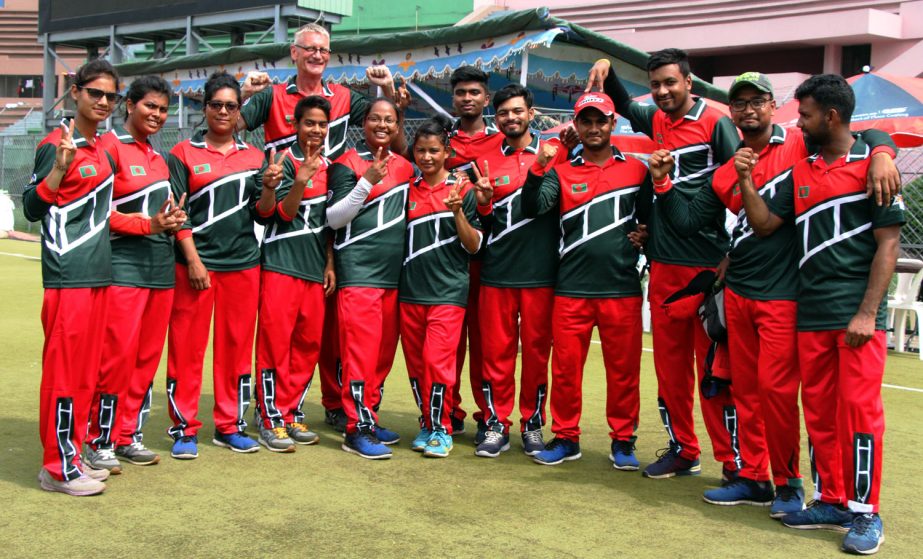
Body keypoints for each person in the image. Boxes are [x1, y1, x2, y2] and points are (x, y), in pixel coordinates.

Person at [654, 72, 899, 516]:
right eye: (739, 103)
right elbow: (689, 222)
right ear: (731, 113)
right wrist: (663, 184)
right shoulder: (729, 168)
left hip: (786, 296)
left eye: (758, 100)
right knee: (746, 391)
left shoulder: (801, 145)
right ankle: (755, 478)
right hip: (741, 291)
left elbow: (858, 134)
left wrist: (882, 152)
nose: (748, 110)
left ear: (772, 106)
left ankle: (791, 485)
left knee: (780, 395)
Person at [740, 74, 902, 556]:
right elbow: (766, 224)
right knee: (821, 414)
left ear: (830, 116)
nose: (799, 122)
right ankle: (830, 499)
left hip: (855, 319)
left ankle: (866, 512)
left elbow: (888, 244)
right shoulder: (801, 171)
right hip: (810, 317)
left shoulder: (875, 167)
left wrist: (867, 313)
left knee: (859, 414)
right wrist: (747, 180)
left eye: (805, 114)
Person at [240, 23, 406, 433]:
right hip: (284, 232)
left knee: (318, 336)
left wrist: (385, 90)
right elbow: (234, 126)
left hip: (327, 229)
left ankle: (315, 407)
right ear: (293, 53)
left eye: (324, 50)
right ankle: (270, 412)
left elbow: (385, 123)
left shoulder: (345, 100)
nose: (317, 55)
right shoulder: (272, 96)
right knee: (280, 337)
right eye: (309, 49)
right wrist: (245, 94)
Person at [587, 48, 741, 480]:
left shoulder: (716, 122)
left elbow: (737, 182)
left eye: (670, 82)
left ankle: (733, 464)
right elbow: (624, 105)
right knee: (670, 372)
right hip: (662, 266)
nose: (662, 91)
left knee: (714, 374)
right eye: (655, 84)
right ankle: (683, 450)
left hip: (707, 269)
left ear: (689, 83)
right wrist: (608, 71)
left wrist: (731, 247)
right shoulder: (656, 119)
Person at [520, 92, 652, 468]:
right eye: (586, 121)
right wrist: (538, 169)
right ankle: (566, 437)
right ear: (576, 125)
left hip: (621, 287)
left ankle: (623, 441)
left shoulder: (637, 171)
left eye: (601, 121)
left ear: (613, 124)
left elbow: (649, 222)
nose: (594, 128)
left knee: (624, 372)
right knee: (564, 371)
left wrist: (646, 237)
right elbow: (533, 206)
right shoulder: (562, 172)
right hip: (571, 288)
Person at [166, 71, 277, 459]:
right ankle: (184, 428)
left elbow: (263, 216)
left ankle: (230, 425)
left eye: (232, 106)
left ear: (239, 110)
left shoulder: (256, 156)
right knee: (187, 348)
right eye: (217, 105)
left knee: (235, 348)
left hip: (244, 265)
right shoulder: (182, 153)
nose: (224, 111)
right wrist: (194, 260)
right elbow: (177, 215)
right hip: (196, 268)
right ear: (205, 107)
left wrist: (268, 188)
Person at [23, 59, 121, 496]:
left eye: (110, 96)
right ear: (76, 92)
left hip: (98, 275)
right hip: (68, 277)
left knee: (85, 374)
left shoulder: (101, 146)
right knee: (64, 374)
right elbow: (31, 207)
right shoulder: (55, 144)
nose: (102, 101)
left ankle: (72, 453)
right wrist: (60, 167)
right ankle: (56, 468)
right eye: (95, 93)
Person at [84, 76, 187, 473]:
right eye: (150, 107)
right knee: (115, 357)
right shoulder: (109, 148)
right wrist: (147, 225)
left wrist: (170, 221)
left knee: (145, 358)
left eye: (163, 110)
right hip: (123, 269)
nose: (157, 116)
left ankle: (129, 435)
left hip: (160, 271)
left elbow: (164, 218)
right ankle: (99, 439)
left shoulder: (158, 158)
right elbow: (97, 213)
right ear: (129, 105)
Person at [469, 84, 569, 458]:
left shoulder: (554, 154)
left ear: (531, 113)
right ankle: (496, 423)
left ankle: (532, 424)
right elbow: (486, 220)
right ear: (497, 119)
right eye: (504, 113)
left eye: (517, 111)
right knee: (496, 355)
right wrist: (481, 206)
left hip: (541, 275)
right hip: (496, 274)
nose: (511, 118)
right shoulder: (485, 160)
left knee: (537, 356)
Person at [326, 97, 415, 459]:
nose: (382, 125)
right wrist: (366, 182)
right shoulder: (346, 163)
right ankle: (355, 428)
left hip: (393, 278)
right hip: (358, 274)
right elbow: (333, 218)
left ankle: (368, 415)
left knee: (380, 356)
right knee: (359, 356)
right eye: (375, 119)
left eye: (389, 120)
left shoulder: (407, 167)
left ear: (397, 126)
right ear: (363, 123)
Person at [254, 95, 336, 452]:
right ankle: (269, 417)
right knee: (275, 344)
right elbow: (283, 215)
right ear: (296, 126)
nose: (315, 130)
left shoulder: (333, 166)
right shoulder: (282, 162)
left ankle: (291, 411)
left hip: (314, 271)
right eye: (309, 123)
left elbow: (330, 225)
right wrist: (301, 181)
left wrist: (329, 263)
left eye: (321, 124)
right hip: (281, 266)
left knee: (307, 346)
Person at [401, 116, 482, 458]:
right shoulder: (407, 190)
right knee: (417, 367)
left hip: (448, 294)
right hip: (410, 293)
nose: (427, 157)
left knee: (438, 363)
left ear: (447, 152)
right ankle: (427, 422)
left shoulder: (463, 190)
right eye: (420, 150)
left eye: (434, 150)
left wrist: (457, 213)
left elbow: (475, 245)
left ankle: (442, 429)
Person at [444, 65, 505, 439]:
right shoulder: (440, 141)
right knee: (449, 343)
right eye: (461, 92)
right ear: (454, 98)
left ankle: (489, 417)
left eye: (474, 93)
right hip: (447, 260)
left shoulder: (501, 142)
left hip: (489, 259)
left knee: (486, 345)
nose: (467, 98)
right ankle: (447, 411)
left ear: (486, 98)